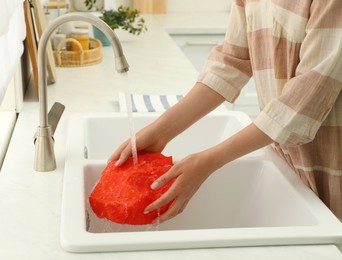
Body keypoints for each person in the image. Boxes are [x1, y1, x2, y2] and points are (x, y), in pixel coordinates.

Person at [109, 0, 342, 223]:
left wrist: (209, 161)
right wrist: (161, 131)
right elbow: (232, 60)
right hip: (289, 161)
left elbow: (304, 100)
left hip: (333, 165)